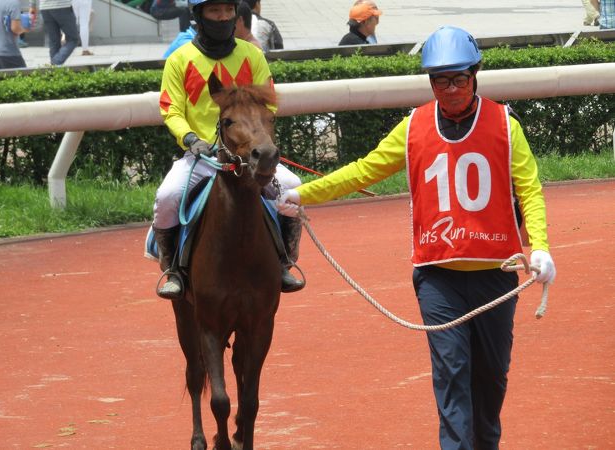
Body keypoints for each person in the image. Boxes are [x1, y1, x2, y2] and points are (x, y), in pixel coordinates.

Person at [277, 25, 557, 449]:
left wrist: (540, 247)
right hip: (437, 278)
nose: (450, 88)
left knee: (491, 378)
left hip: (495, 276)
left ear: (475, 74)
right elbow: (364, 169)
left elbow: (529, 190)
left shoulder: (505, 124)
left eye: (459, 78)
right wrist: (303, 194)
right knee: (451, 375)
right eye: (440, 80)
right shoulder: (412, 128)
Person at [155, 0, 304, 299]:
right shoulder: (180, 59)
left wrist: (255, 138)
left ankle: (285, 262)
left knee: (291, 186)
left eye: (227, 10)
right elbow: (171, 109)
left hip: (249, 153)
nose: (223, 17)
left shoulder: (252, 54)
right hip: (201, 155)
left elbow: (269, 100)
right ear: (199, 15)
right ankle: (172, 269)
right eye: (214, 11)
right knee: (167, 196)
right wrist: (189, 139)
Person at [29, 0, 78, 65]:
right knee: (73, 39)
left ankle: (54, 69)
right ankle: (55, 62)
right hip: (62, 5)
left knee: (54, 40)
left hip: (45, 7)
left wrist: (32, 5)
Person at [0, 0, 32, 69]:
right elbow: (15, 28)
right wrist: (26, 29)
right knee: (22, 77)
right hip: (8, 51)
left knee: (2, 79)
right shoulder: (13, 3)